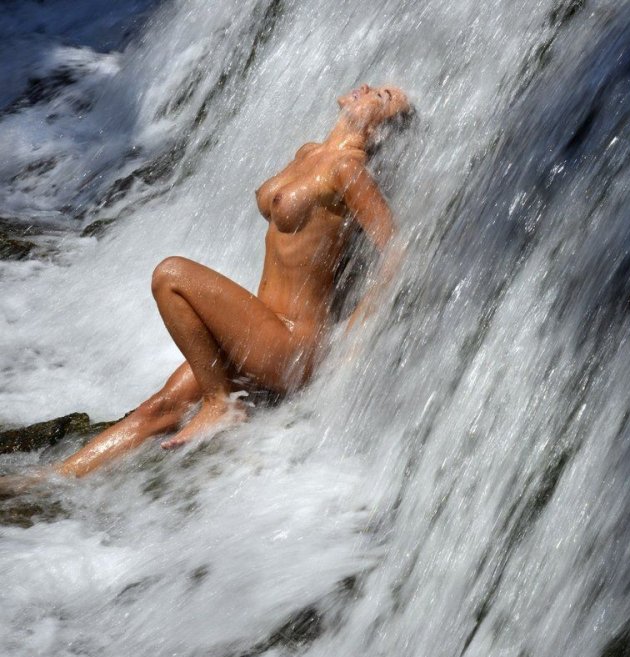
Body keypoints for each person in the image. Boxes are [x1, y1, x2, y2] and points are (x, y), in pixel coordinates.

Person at [53, 83, 413, 477]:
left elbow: (395, 251)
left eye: (381, 97)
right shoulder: (310, 154)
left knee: (170, 276)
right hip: (260, 331)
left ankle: (219, 403)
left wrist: (356, 337)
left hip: (292, 347)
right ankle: (43, 482)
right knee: (160, 408)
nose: (367, 89)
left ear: (378, 131)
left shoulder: (348, 169)